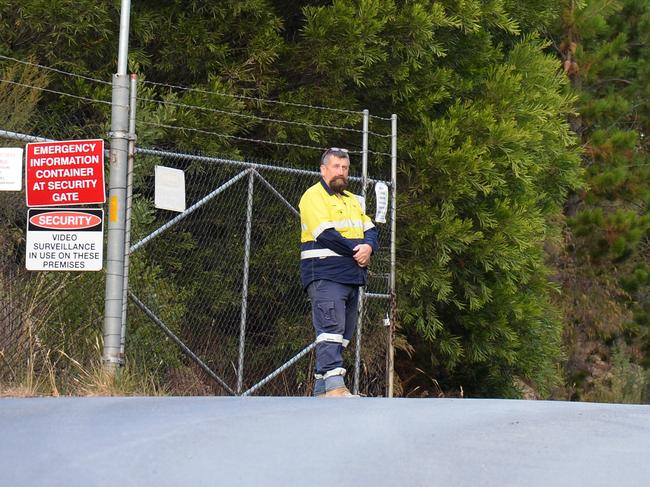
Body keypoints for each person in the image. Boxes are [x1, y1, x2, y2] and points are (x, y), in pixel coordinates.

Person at [299, 147, 379, 397]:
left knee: (343, 333)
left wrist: (368, 248)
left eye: (345, 168)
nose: (341, 172)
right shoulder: (313, 196)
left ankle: (322, 388)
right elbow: (325, 235)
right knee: (330, 327)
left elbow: (371, 229)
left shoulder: (352, 200)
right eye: (336, 167)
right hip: (325, 273)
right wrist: (358, 250)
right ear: (323, 170)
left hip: (352, 276)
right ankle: (335, 388)